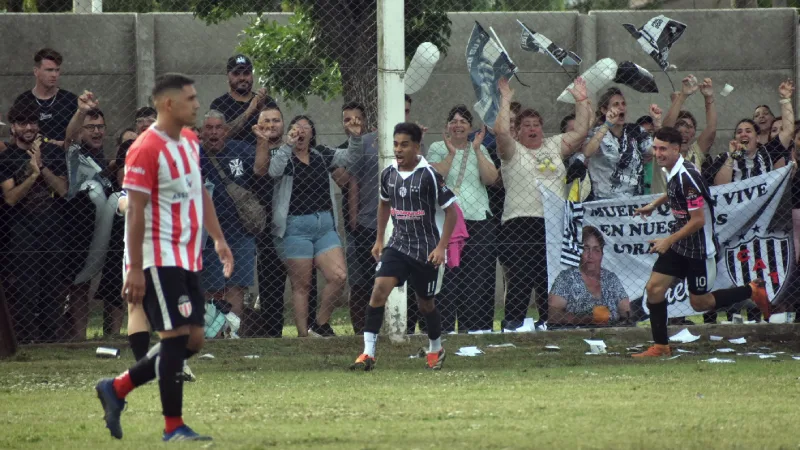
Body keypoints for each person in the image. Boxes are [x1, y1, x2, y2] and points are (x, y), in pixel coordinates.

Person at [94, 73, 233, 441]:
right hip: (160, 256)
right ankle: (174, 426)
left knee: (194, 341)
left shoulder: (189, 140)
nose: (197, 105)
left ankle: (117, 387)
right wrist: (136, 268)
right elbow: (135, 211)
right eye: (190, 99)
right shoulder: (144, 148)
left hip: (189, 256)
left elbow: (200, 191)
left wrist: (218, 238)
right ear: (168, 104)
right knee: (174, 339)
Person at [631, 127, 769, 358]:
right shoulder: (674, 169)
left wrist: (667, 241)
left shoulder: (688, 176)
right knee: (654, 290)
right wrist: (654, 205)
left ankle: (752, 289)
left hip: (699, 250)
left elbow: (697, 221)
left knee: (700, 303)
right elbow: (675, 191)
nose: (657, 153)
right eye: (655, 148)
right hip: (679, 244)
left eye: (663, 148)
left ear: (676, 149)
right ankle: (661, 347)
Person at [349, 122, 457, 371]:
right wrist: (379, 239)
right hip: (398, 245)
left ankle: (436, 347)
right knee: (378, 291)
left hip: (425, 249)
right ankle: (368, 353)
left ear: (417, 147)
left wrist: (441, 247)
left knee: (425, 304)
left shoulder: (429, 174)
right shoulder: (388, 173)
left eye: (404, 144)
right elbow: (384, 204)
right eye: (395, 144)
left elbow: (451, 213)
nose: (398, 149)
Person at [494, 76, 591, 332]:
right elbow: (500, 131)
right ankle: (514, 323)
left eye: (536, 124)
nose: (532, 128)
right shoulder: (512, 151)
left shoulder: (553, 145)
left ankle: (551, 322)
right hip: (519, 222)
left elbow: (581, 131)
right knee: (521, 277)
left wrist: (581, 98)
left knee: (548, 276)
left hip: (552, 222)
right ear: (519, 130)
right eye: (526, 125)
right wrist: (505, 99)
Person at [268, 114, 364, 337]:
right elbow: (273, 170)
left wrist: (355, 137)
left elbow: (351, 158)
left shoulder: (321, 155)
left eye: (305, 127)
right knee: (302, 286)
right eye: (296, 128)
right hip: (295, 228)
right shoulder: (285, 156)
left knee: (339, 276)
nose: (300, 131)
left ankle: (320, 324)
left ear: (312, 133)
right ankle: (304, 336)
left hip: (324, 226)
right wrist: (286, 145)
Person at [0, 100, 69, 343]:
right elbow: (10, 198)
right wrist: (32, 174)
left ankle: (51, 338)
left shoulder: (52, 153)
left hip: (53, 227)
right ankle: (26, 338)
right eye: (22, 123)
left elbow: (62, 189)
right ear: (13, 127)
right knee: (26, 286)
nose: (28, 127)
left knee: (53, 284)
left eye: (32, 122)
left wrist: (41, 166)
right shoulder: (7, 157)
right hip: (22, 229)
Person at [427, 105, 498, 333]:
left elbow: (490, 178)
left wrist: (477, 150)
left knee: (475, 278)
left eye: (463, 121)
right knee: (446, 277)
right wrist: (450, 154)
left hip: (477, 218)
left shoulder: (478, 149)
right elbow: (436, 176)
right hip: (447, 221)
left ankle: (472, 329)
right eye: (453, 121)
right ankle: (445, 328)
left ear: (470, 127)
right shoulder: (438, 147)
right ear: (447, 126)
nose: (458, 125)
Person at [711, 80, 795, 185]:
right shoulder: (724, 157)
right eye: (739, 132)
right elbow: (719, 186)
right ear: (735, 138)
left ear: (757, 138)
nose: (743, 134)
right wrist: (732, 158)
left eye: (748, 131)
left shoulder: (767, 153)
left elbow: (788, 131)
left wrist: (785, 99)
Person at [583, 88, 659, 200]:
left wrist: (657, 123)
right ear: (604, 110)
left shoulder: (635, 130)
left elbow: (656, 151)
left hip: (634, 199)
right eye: (616, 104)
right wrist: (607, 124)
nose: (621, 107)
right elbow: (587, 152)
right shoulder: (597, 132)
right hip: (604, 200)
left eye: (623, 104)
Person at [548, 226, 630, 326]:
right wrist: (585, 319)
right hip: (577, 333)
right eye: (586, 249)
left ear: (602, 254)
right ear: (579, 253)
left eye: (596, 250)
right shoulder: (566, 278)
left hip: (611, 332)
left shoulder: (610, 278)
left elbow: (626, 310)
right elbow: (552, 314)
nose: (590, 255)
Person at [13, 48, 78, 145]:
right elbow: (15, 136)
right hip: (30, 156)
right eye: (49, 70)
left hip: (64, 156)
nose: (54, 75)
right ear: (36, 71)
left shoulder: (70, 100)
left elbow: (80, 135)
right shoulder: (23, 100)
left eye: (57, 70)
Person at [209, 54, 274, 145]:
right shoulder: (219, 104)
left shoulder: (266, 101)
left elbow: (277, 133)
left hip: (263, 154)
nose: (242, 78)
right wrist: (251, 109)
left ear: (252, 75)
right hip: (231, 157)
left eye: (246, 73)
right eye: (236, 73)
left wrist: (262, 107)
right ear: (228, 75)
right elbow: (221, 134)